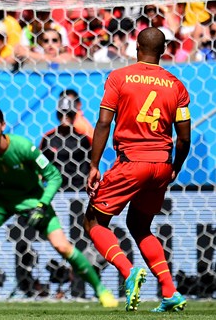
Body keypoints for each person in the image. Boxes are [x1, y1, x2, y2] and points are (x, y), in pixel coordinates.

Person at [0, 106, 117, 308]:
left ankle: (102, 291)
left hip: (32, 199)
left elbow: (54, 176)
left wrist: (43, 204)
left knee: (62, 246)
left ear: (3, 126)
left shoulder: (24, 147)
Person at [83, 27, 191, 313]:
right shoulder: (176, 85)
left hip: (132, 162)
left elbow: (104, 122)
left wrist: (94, 165)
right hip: (160, 165)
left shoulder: (120, 77)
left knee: (93, 222)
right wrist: (175, 169)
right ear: (164, 49)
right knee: (140, 226)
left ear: (136, 47)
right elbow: (184, 138)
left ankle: (128, 271)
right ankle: (170, 292)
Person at [40, 96, 91, 192]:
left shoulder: (82, 139)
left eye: (69, 113)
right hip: (55, 189)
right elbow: (42, 164)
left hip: (79, 190)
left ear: (74, 115)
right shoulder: (49, 138)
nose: (65, 116)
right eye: (62, 113)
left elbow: (90, 165)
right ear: (57, 115)